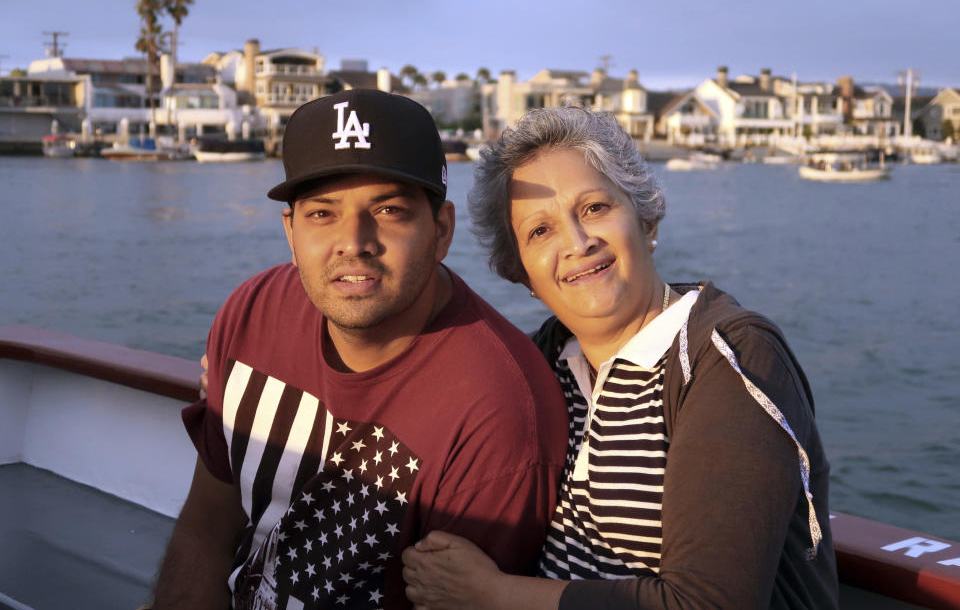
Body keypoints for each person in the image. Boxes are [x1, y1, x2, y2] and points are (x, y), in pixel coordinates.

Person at [402, 106, 839, 609]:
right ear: (521, 272)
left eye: (594, 208)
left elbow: (710, 603)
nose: (577, 242)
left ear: (646, 217)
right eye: (540, 231)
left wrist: (494, 594)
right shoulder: (539, 366)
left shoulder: (726, 355)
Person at [150, 89, 568, 610]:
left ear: (440, 232)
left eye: (389, 210)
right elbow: (207, 527)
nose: (354, 241)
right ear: (290, 232)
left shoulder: (499, 413)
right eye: (323, 214)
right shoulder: (253, 312)